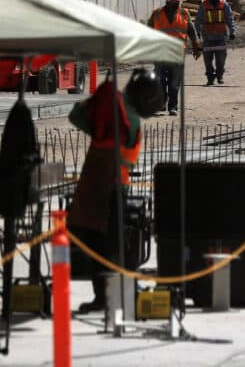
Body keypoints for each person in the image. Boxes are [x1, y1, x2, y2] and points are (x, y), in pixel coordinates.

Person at [67, 68, 164, 312]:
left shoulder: (117, 114)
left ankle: (106, 297)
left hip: (102, 185)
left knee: (100, 245)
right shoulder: (126, 117)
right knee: (109, 245)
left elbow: (76, 116)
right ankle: (111, 296)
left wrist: (98, 102)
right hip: (113, 187)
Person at [147, 0, 201, 115]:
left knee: (174, 82)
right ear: (168, 0)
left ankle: (173, 106)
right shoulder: (157, 14)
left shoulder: (184, 13)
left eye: (179, 1)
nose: (178, 3)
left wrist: (196, 46)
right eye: (176, 1)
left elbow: (192, 31)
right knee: (159, 80)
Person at [195, 0, 237, 86]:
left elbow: (229, 19)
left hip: (220, 38)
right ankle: (210, 77)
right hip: (208, 38)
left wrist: (232, 31)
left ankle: (219, 75)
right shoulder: (204, 5)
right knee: (208, 61)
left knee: (220, 61)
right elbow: (197, 21)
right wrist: (198, 33)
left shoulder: (224, 4)